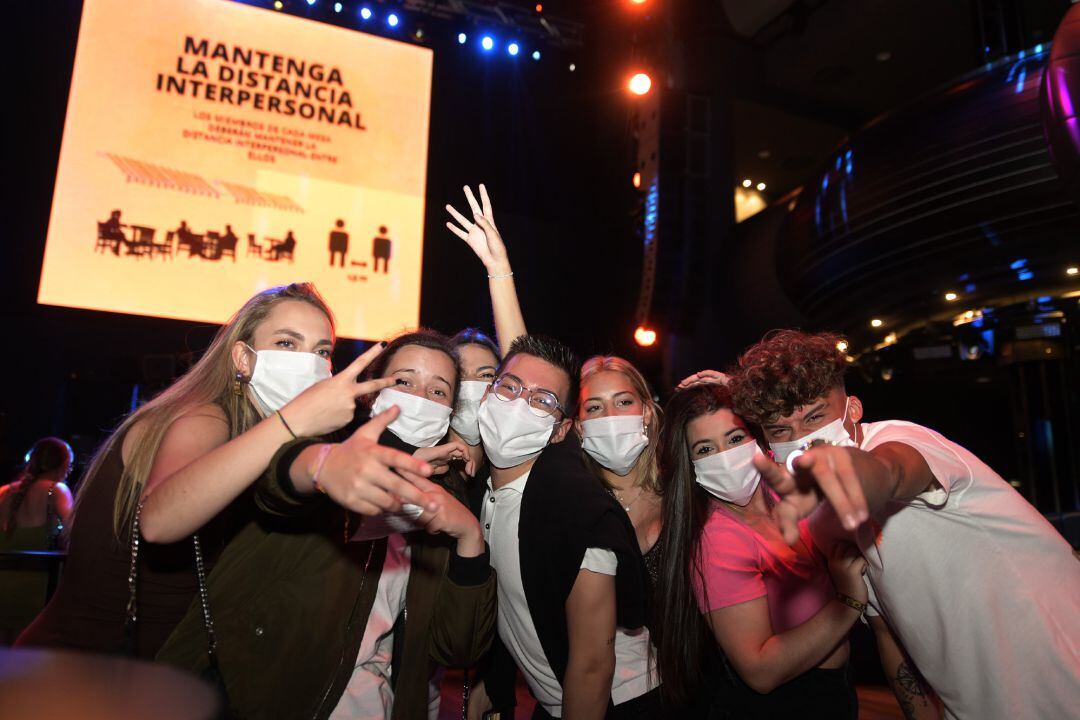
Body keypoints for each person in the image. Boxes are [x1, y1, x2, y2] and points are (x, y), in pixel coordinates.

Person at [18, 283, 432, 659]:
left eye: (322, 352)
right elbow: (159, 521)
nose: (309, 363)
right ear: (243, 358)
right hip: (78, 670)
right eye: (287, 343)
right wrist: (293, 421)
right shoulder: (203, 416)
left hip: (156, 675)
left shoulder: (259, 442)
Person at [733, 329, 1080, 720]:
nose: (802, 441)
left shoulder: (903, 438)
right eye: (781, 431)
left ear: (853, 410)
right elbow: (887, 630)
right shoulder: (820, 517)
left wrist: (866, 476)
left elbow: (895, 469)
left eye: (815, 417)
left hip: (1062, 680)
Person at [159, 330, 496, 720]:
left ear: (451, 411)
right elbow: (278, 479)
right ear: (373, 392)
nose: (420, 398)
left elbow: (458, 648)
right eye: (404, 381)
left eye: (438, 392)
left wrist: (470, 537)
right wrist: (328, 466)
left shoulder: (445, 497)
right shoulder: (329, 444)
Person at [469, 334, 657, 718]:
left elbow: (593, 667)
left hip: (622, 703)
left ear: (560, 430)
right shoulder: (485, 492)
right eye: (510, 387)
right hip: (552, 698)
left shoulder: (574, 512)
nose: (520, 404)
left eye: (542, 400)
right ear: (487, 395)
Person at [653, 383, 865, 718]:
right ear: (689, 464)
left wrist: (740, 390)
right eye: (705, 449)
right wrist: (848, 601)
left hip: (834, 688)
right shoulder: (718, 540)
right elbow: (760, 671)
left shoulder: (779, 488)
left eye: (735, 439)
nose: (725, 456)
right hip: (784, 706)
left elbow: (798, 429)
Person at [0, 438, 75, 638]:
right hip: (38, 590)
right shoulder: (56, 490)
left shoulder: (4, 491)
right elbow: (74, 531)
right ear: (64, 463)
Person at [448, 328, 501, 476]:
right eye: (460, 374)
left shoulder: (505, 471)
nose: (471, 383)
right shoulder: (422, 460)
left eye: (486, 375)